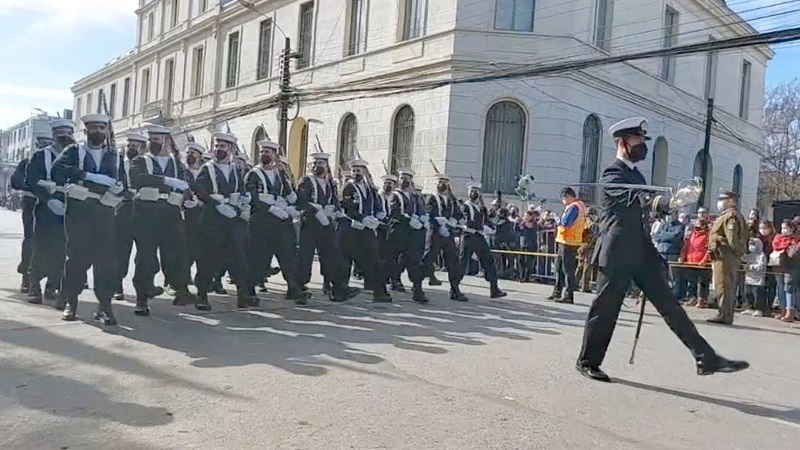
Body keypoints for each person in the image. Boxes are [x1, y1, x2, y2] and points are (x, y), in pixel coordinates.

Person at [576, 117, 748, 382]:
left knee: (671, 306)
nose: (642, 146)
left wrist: (673, 203)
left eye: (644, 141)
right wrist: (661, 201)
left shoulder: (637, 175)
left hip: (642, 252)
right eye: (638, 141)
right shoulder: (613, 174)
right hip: (617, 252)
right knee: (606, 309)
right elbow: (635, 198)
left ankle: (705, 357)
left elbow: (646, 205)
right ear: (623, 142)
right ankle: (588, 361)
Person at [52, 114, 127, 324]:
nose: (97, 132)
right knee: (76, 258)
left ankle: (105, 305)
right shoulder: (74, 151)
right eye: (92, 128)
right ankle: (71, 301)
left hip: (104, 212)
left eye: (101, 128)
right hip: (79, 211)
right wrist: (86, 176)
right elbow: (58, 170)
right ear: (85, 132)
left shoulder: (115, 156)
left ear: (106, 132)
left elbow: (125, 185)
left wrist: (119, 190)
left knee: (105, 261)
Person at [128, 124, 199, 315]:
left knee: (178, 254)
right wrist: (164, 181)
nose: (154, 143)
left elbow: (186, 184)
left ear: (167, 141)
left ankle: (181, 289)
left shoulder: (176, 164)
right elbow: (136, 179)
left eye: (158, 139)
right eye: (152, 139)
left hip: (170, 212)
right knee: (145, 257)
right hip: (147, 212)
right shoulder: (140, 161)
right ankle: (142, 298)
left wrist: (188, 200)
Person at [191, 131, 257, 310]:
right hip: (212, 219)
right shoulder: (208, 168)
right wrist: (214, 202)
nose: (218, 149)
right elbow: (198, 188)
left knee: (238, 257)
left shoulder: (236, 170)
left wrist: (244, 199)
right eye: (217, 146)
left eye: (223, 146)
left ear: (231, 149)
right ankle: (202, 295)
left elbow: (242, 190)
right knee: (208, 257)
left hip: (233, 219)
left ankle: (242, 294)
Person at [244, 140, 310, 303]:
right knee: (258, 256)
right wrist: (270, 207)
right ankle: (248, 289)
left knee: (288, 255)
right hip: (261, 221)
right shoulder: (253, 174)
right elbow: (251, 198)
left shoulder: (279, 174)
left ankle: (293, 288)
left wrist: (292, 203)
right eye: (262, 152)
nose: (264, 154)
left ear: (275, 155)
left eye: (268, 152)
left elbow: (288, 194)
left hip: (281, 222)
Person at [25, 122, 74, 303]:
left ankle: (53, 285)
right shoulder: (40, 156)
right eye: (60, 133)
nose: (64, 136)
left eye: (68, 133)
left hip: (68, 206)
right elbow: (31, 179)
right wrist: (47, 199)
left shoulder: (75, 156)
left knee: (62, 249)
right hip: (46, 206)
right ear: (54, 135)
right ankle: (34, 285)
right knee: (41, 246)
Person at [422, 173, 468, 301]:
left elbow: (458, 214)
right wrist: (438, 222)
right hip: (435, 233)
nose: (442, 185)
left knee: (453, 262)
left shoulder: (451, 200)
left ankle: (455, 290)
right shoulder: (432, 197)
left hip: (448, 235)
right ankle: (417, 288)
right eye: (439, 182)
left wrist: (456, 221)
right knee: (428, 259)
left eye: (445, 183)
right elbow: (429, 213)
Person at [459, 182, 507, 299]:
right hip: (468, 236)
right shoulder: (465, 206)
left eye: (477, 191)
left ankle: (494, 289)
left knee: (489, 261)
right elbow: (466, 221)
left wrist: (490, 228)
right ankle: (454, 288)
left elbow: (488, 220)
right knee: (462, 262)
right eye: (472, 191)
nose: (474, 194)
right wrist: (481, 227)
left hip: (479, 237)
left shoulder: (481, 208)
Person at [706, 190, 748, 325]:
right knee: (723, 284)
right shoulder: (726, 215)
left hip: (724, 255)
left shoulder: (731, 216)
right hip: (722, 255)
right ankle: (724, 312)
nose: (720, 202)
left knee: (724, 284)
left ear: (730, 201)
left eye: (723, 199)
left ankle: (725, 314)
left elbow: (732, 239)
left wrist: (735, 253)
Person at [547, 187, 586, 304]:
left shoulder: (574, 206)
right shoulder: (579, 205)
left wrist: (556, 218)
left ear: (568, 196)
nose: (562, 201)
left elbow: (565, 223)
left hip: (569, 242)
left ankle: (568, 295)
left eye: (563, 198)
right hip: (565, 241)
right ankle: (557, 292)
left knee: (567, 269)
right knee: (559, 268)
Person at [10, 155, 37, 294]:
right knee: (31, 240)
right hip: (32, 203)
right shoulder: (28, 161)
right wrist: (34, 186)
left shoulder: (69, 158)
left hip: (61, 204)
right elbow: (15, 181)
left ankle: (54, 281)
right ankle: (27, 276)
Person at [741, 237, 769, 317]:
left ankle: (759, 309)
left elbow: (761, 266)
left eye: (753, 245)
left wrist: (751, 267)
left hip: (758, 279)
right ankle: (750, 307)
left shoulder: (762, 255)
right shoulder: (749, 255)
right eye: (750, 245)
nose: (751, 247)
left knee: (757, 294)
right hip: (748, 277)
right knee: (748, 293)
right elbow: (743, 260)